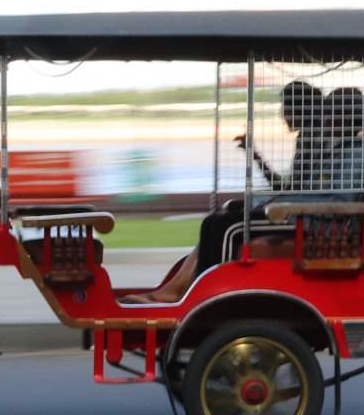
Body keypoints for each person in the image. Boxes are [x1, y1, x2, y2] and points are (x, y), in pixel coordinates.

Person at [119, 80, 324, 305]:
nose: (282, 115)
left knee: (223, 226)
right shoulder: (307, 139)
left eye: (286, 108)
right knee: (215, 221)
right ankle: (178, 288)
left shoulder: (315, 142)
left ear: (300, 108)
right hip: (290, 210)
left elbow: (295, 192)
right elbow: (286, 188)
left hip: (299, 217)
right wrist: (255, 156)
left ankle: (198, 295)